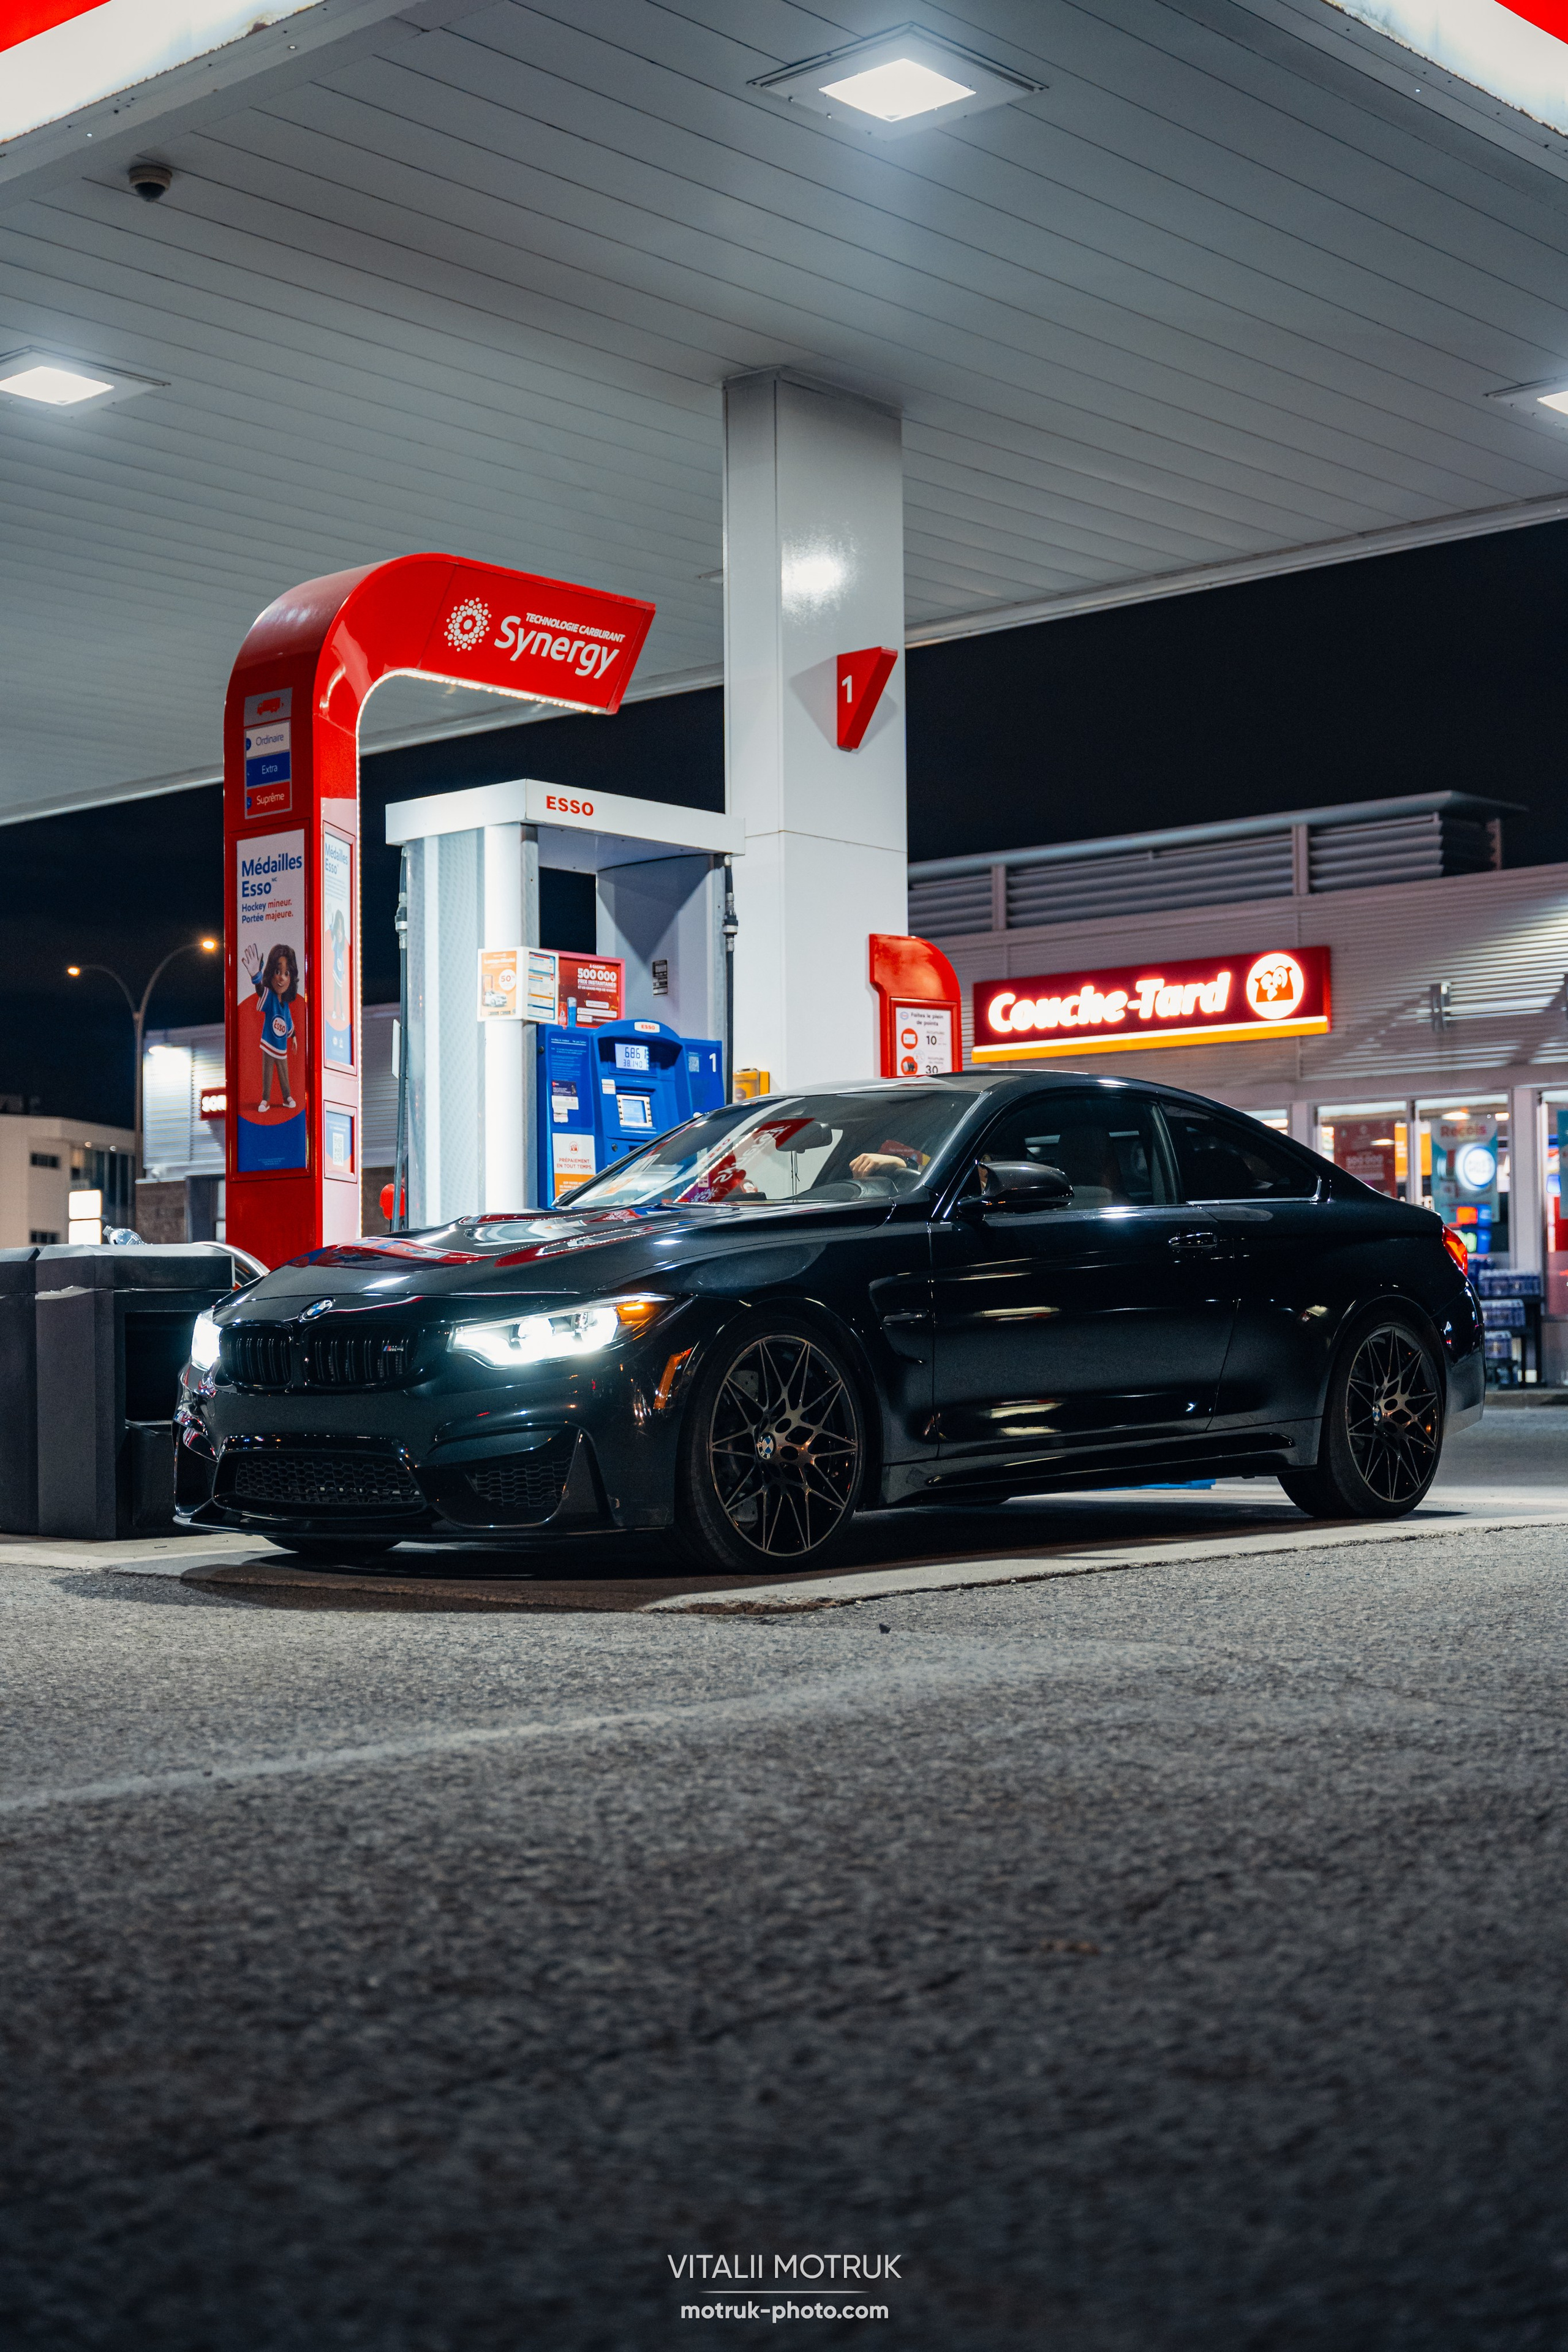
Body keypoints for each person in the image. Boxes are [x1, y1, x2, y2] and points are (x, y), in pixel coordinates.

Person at [242, 940, 300, 1112]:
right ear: (271, 973)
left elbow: (289, 1023)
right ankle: (265, 1099)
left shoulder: (286, 1005)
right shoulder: (271, 997)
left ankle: (287, 1097)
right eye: (277, 972)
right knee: (267, 1071)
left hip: (281, 1045)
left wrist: (294, 1037)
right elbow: (261, 991)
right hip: (268, 1042)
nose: (282, 978)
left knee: (284, 1071)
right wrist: (256, 977)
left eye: (287, 973)